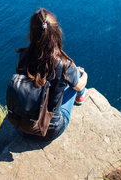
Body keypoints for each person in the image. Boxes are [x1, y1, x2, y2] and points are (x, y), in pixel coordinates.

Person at [15, 8, 89, 141]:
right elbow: (78, 85)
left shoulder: (22, 56)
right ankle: (81, 97)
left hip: (22, 125)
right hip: (49, 131)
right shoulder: (64, 64)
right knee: (76, 75)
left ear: (31, 32)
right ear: (56, 32)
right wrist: (84, 76)